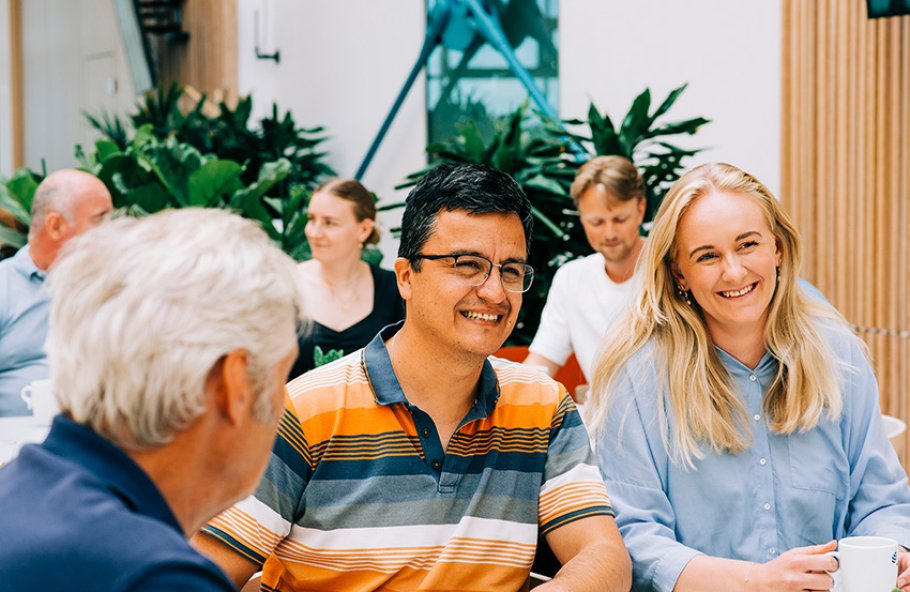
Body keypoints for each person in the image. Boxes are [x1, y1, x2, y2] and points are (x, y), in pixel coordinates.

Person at [195, 163, 631, 592]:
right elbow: (202, 575)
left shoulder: (543, 407)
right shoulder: (307, 411)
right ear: (406, 276)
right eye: (467, 265)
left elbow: (604, 557)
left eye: (510, 271)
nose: (495, 292)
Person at [588, 162, 910, 592]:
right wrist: (752, 582)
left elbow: (882, 499)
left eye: (747, 245)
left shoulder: (837, 353)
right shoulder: (636, 375)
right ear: (679, 272)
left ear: (777, 247)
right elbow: (634, 537)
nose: (735, 271)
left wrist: (895, 553)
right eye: (707, 256)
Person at [0, 209, 305, 591]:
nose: (284, 402)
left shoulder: (18, 491)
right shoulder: (156, 576)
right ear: (234, 384)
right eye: (282, 376)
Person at [0, 169, 112, 415]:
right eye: (100, 219)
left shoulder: (109, 289)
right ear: (55, 226)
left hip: (94, 441)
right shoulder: (4, 287)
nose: (111, 232)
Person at [525, 155, 645, 382]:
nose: (609, 233)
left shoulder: (671, 269)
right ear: (581, 217)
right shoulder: (572, 279)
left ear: (640, 209)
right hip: (599, 415)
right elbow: (541, 363)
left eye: (619, 219)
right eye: (597, 222)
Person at [289, 178, 404, 378]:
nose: (315, 232)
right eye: (311, 219)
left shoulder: (393, 290)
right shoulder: (286, 285)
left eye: (329, 223)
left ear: (364, 230)